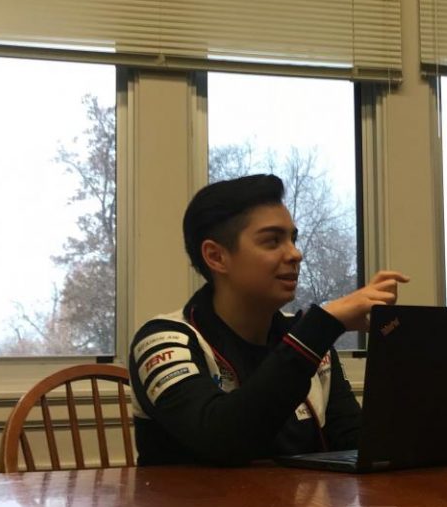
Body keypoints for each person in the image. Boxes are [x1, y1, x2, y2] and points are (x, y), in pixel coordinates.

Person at [129, 174, 409, 465]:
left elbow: (356, 442)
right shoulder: (162, 341)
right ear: (216, 257)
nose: (295, 254)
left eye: (293, 239)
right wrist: (322, 325)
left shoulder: (309, 342)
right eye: (273, 241)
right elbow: (220, 440)